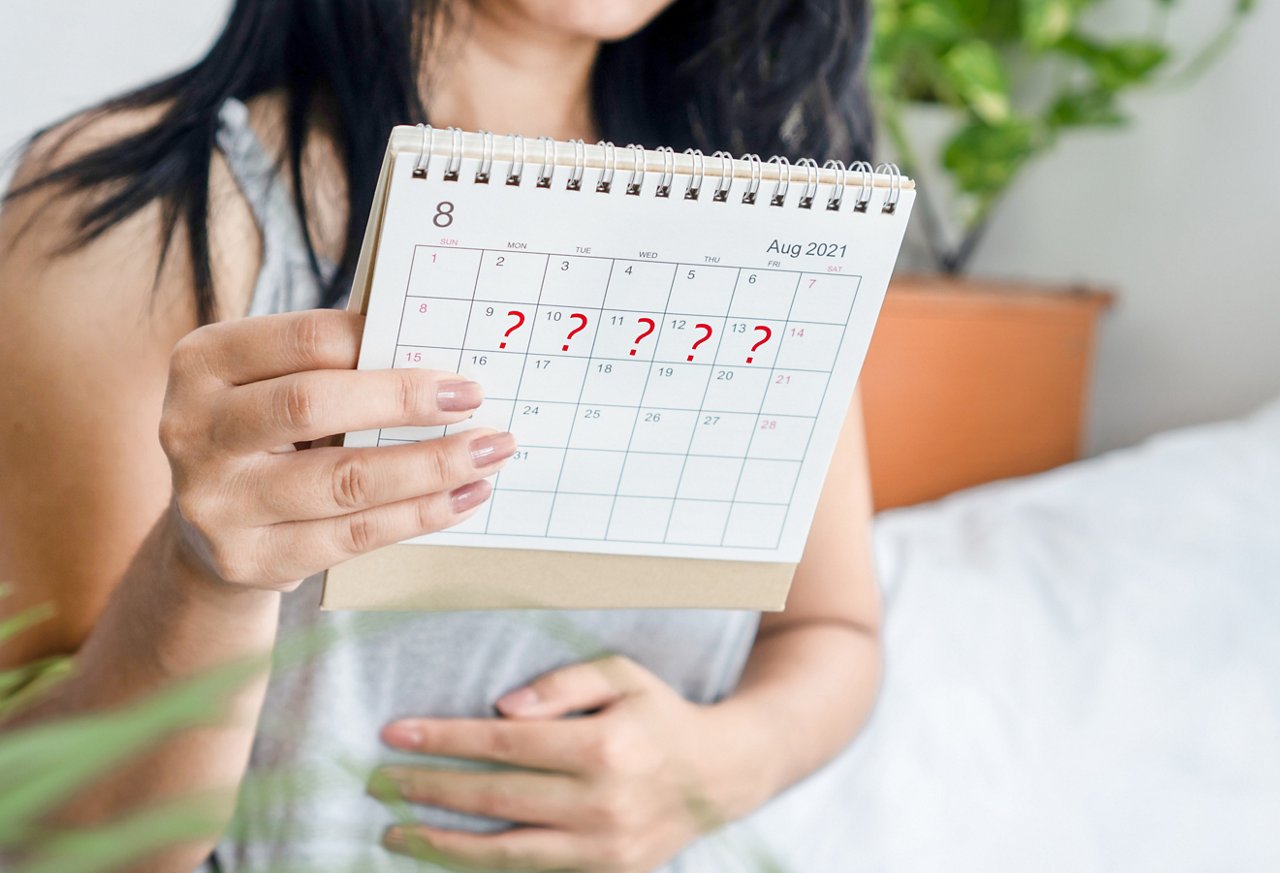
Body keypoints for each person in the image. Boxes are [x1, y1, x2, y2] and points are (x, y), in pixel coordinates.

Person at [0, 1, 882, 870]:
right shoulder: (137, 216)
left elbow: (835, 629)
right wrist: (199, 574)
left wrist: (726, 759)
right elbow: (42, 830)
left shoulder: (769, 218)